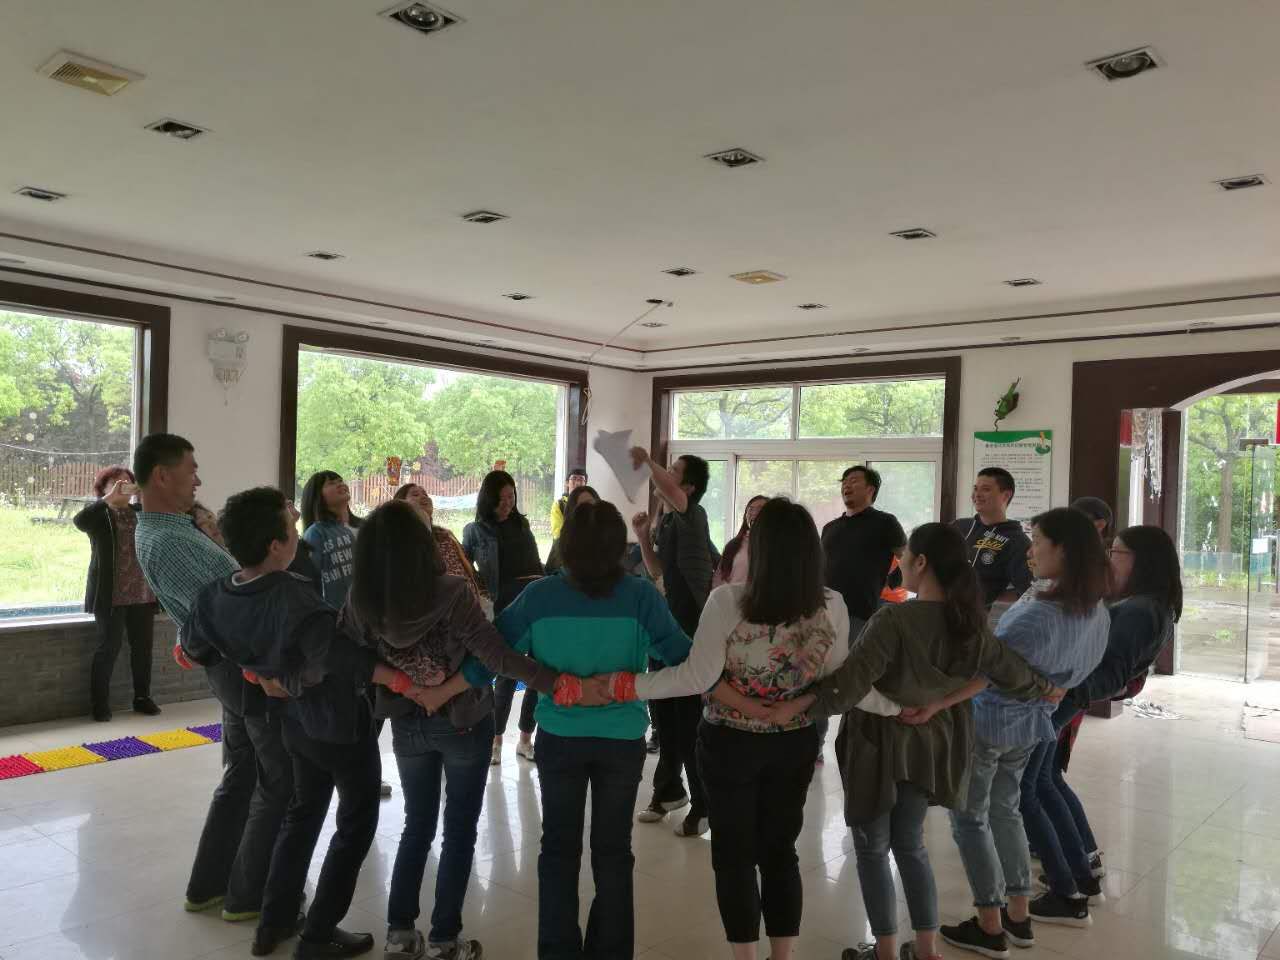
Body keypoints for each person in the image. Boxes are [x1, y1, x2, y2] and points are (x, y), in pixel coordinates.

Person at [584, 498, 901, 960]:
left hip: (728, 744)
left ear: (761, 548)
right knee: (780, 852)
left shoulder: (728, 600)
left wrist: (624, 685)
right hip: (794, 744)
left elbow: (697, 677)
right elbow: (840, 681)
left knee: (733, 856)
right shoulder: (831, 604)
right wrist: (897, 707)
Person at [765, 523, 1060, 960]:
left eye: (903, 557)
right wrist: (1047, 688)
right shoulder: (969, 624)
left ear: (921, 563)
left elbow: (848, 685)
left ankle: (885, 951)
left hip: (877, 746)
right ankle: (926, 949)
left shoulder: (895, 619)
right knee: (911, 844)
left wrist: (795, 708)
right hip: (930, 748)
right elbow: (1010, 672)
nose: (899, 563)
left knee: (872, 848)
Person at [184, 487, 423, 959]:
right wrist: (399, 679)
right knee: (356, 820)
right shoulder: (293, 596)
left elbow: (196, 648)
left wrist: (258, 670)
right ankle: (317, 935)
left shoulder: (216, 593)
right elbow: (335, 658)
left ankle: (272, 924)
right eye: (290, 527)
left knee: (303, 813)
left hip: (292, 726)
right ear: (276, 545)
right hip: (336, 721)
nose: (297, 532)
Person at [341, 498, 563, 960]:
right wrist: (555, 682)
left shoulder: (361, 599)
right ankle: (445, 939)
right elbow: (496, 655)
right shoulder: (451, 591)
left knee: (416, 825)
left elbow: (350, 658)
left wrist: (403, 683)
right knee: (459, 830)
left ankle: (400, 934)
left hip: (407, 724)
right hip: (463, 722)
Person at [496, 500, 692, 960]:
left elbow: (493, 652)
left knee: (558, 849)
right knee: (613, 852)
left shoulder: (540, 596)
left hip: (559, 737)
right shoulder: (640, 596)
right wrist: (634, 682)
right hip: (621, 739)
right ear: (618, 548)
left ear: (566, 545)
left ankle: (558, 951)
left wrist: (548, 681)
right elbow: (682, 657)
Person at [933, 507, 1109, 956]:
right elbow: (1081, 667)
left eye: (1039, 543)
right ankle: (1017, 913)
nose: (1031, 552)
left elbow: (990, 671)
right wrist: (1053, 688)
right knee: (1006, 810)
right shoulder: (1093, 608)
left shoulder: (1040, 613)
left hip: (991, 723)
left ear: (1063, 550)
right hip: (1031, 724)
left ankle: (990, 923)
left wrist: (938, 702)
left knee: (970, 818)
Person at [131, 434, 289, 927]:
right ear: (162, 475)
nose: (198, 480)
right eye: (191, 469)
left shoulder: (175, 530)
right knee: (275, 781)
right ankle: (250, 895)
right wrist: (263, 671)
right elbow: (227, 617)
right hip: (243, 670)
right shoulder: (169, 541)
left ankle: (209, 885)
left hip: (234, 667)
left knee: (243, 775)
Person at [1027, 525, 1182, 924]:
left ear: (1140, 561)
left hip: (1063, 700)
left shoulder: (1140, 610)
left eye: (1116, 552)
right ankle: (1082, 874)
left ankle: (1069, 891)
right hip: (1066, 698)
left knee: (1030, 785)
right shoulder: (1146, 605)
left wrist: (1064, 688)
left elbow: (1112, 675)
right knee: (1045, 779)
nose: (1109, 560)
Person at [628, 447, 715, 836]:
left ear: (689, 487)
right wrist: (642, 537)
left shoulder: (693, 515)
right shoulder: (666, 520)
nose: (665, 473)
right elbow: (656, 570)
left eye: (673, 470)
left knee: (687, 720)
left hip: (690, 629)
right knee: (664, 716)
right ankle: (668, 792)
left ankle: (702, 804)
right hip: (666, 626)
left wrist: (648, 461)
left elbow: (672, 492)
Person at [818, 465, 906, 760]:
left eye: (854, 480)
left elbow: (906, 557)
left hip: (860, 615)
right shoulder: (830, 527)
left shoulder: (885, 522)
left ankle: (856, 746)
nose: (847, 485)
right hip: (823, 615)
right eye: (844, 481)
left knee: (855, 680)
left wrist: (899, 583)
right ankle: (814, 746)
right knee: (818, 677)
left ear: (871, 489)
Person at [462, 470, 544, 764]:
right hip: (505, 605)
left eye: (511, 497)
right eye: (502, 499)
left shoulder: (522, 524)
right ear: (489, 499)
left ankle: (525, 738)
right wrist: (482, 596)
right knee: (507, 672)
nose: (508, 503)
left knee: (536, 673)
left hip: (534, 600)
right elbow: (465, 571)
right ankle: (495, 740)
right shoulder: (475, 531)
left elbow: (534, 561)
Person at [74, 465, 160, 721]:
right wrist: (108, 499)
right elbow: (79, 521)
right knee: (108, 649)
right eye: (116, 482)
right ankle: (100, 704)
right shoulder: (100, 515)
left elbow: (165, 522)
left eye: (127, 481)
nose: (123, 485)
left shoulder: (141, 512)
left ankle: (142, 697)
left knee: (143, 649)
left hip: (142, 592)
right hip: (110, 594)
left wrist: (146, 495)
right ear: (104, 488)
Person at [954, 468, 1032, 609]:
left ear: (1006, 495)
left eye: (986, 489)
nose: (977, 494)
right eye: (975, 489)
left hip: (967, 618)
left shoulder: (1017, 541)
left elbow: (1028, 591)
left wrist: (988, 598)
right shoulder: (958, 526)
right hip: (930, 609)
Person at [394, 483, 484, 601]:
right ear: (400, 505)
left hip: (469, 603)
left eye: (425, 494)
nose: (423, 497)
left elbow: (468, 571)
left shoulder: (445, 535)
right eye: (415, 495)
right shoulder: (399, 541)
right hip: (438, 608)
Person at [300, 470, 361, 609]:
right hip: (331, 612)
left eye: (340, 481)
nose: (340, 484)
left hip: (355, 610)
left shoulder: (349, 530)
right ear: (317, 496)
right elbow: (310, 579)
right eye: (331, 483)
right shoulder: (315, 533)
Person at [711, 495, 767, 589]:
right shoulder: (733, 545)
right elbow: (719, 578)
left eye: (760, 508)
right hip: (732, 597)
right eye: (750, 509)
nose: (754, 512)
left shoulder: (777, 546)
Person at [545, 484, 599, 574]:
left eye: (590, 505)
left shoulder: (608, 541)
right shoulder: (560, 546)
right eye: (581, 507)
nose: (587, 510)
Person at [549, 467, 588, 539]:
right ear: (567, 483)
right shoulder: (559, 505)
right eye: (574, 478)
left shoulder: (590, 504)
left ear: (585, 484)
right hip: (564, 544)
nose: (577, 483)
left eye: (581, 479)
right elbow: (557, 533)